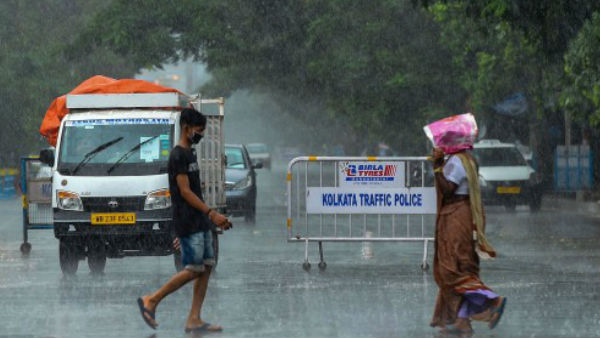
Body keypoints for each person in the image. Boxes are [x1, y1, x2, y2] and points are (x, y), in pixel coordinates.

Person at [137, 108, 232, 333]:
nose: (200, 135)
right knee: (194, 268)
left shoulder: (191, 153)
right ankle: (152, 300)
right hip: (188, 220)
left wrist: (209, 218)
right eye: (198, 131)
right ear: (186, 127)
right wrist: (212, 213)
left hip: (200, 220)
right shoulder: (178, 155)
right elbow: (185, 192)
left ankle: (194, 318)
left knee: (207, 266)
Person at [429, 146, 507, 334]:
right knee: (461, 265)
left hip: (456, 215)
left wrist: (437, 166)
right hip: (459, 214)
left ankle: (491, 300)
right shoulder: (466, 159)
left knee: (451, 269)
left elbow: (448, 190)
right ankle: (461, 319)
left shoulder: (458, 161)